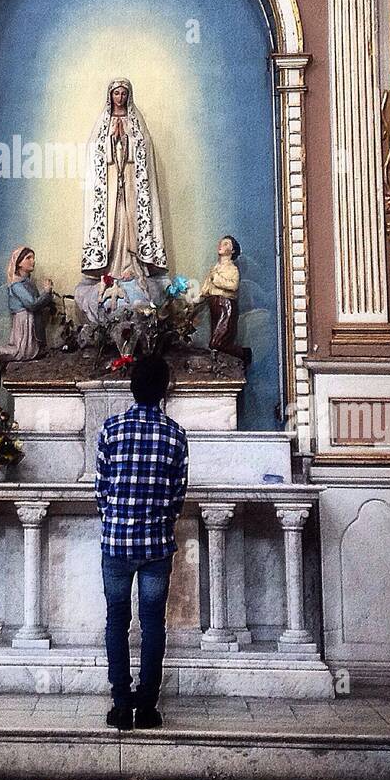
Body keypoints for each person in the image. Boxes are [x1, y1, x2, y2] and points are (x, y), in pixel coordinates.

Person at [94, 351, 188, 730]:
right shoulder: (175, 434)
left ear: (131, 388)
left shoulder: (111, 429)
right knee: (153, 624)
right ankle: (147, 707)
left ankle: (120, 705)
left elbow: (101, 490)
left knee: (117, 621)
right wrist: (159, 520)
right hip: (156, 546)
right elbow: (178, 494)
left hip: (117, 544)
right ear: (164, 390)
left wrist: (116, 519)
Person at [80, 77, 167, 283]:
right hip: (110, 187)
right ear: (110, 95)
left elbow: (145, 150)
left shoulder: (136, 121)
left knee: (130, 221)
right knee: (113, 220)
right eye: (116, 93)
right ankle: (110, 268)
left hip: (131, 185)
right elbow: (94, 152)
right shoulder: (103, 122)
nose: (120, 97)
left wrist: (126, 139)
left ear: (129, 96)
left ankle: (133, 264)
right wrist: (112, 140)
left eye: (124, 93)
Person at [0, 246, 53, 367]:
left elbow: (37, 302)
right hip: (24, 319)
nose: (33, 261)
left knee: (30, 349)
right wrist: (46, 292)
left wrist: (48, 295)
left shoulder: (28, 283)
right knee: (22, 351)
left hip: (30, 318)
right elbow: (32, 304)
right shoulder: (17, 285)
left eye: (33, 258)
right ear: (19, 263)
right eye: (28, 258)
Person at [201, 234, 251, 367]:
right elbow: (206, 288)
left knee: (217, 341)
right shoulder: (214, 268)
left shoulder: (232, 269)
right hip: (214, 304)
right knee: (214, 341)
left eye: (226, 244)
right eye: (221, 243)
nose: (221, 245)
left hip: (226, 305)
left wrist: (216, 279)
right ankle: (219, 365)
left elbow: (233, 286)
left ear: (233, 250)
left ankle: (243, 353)